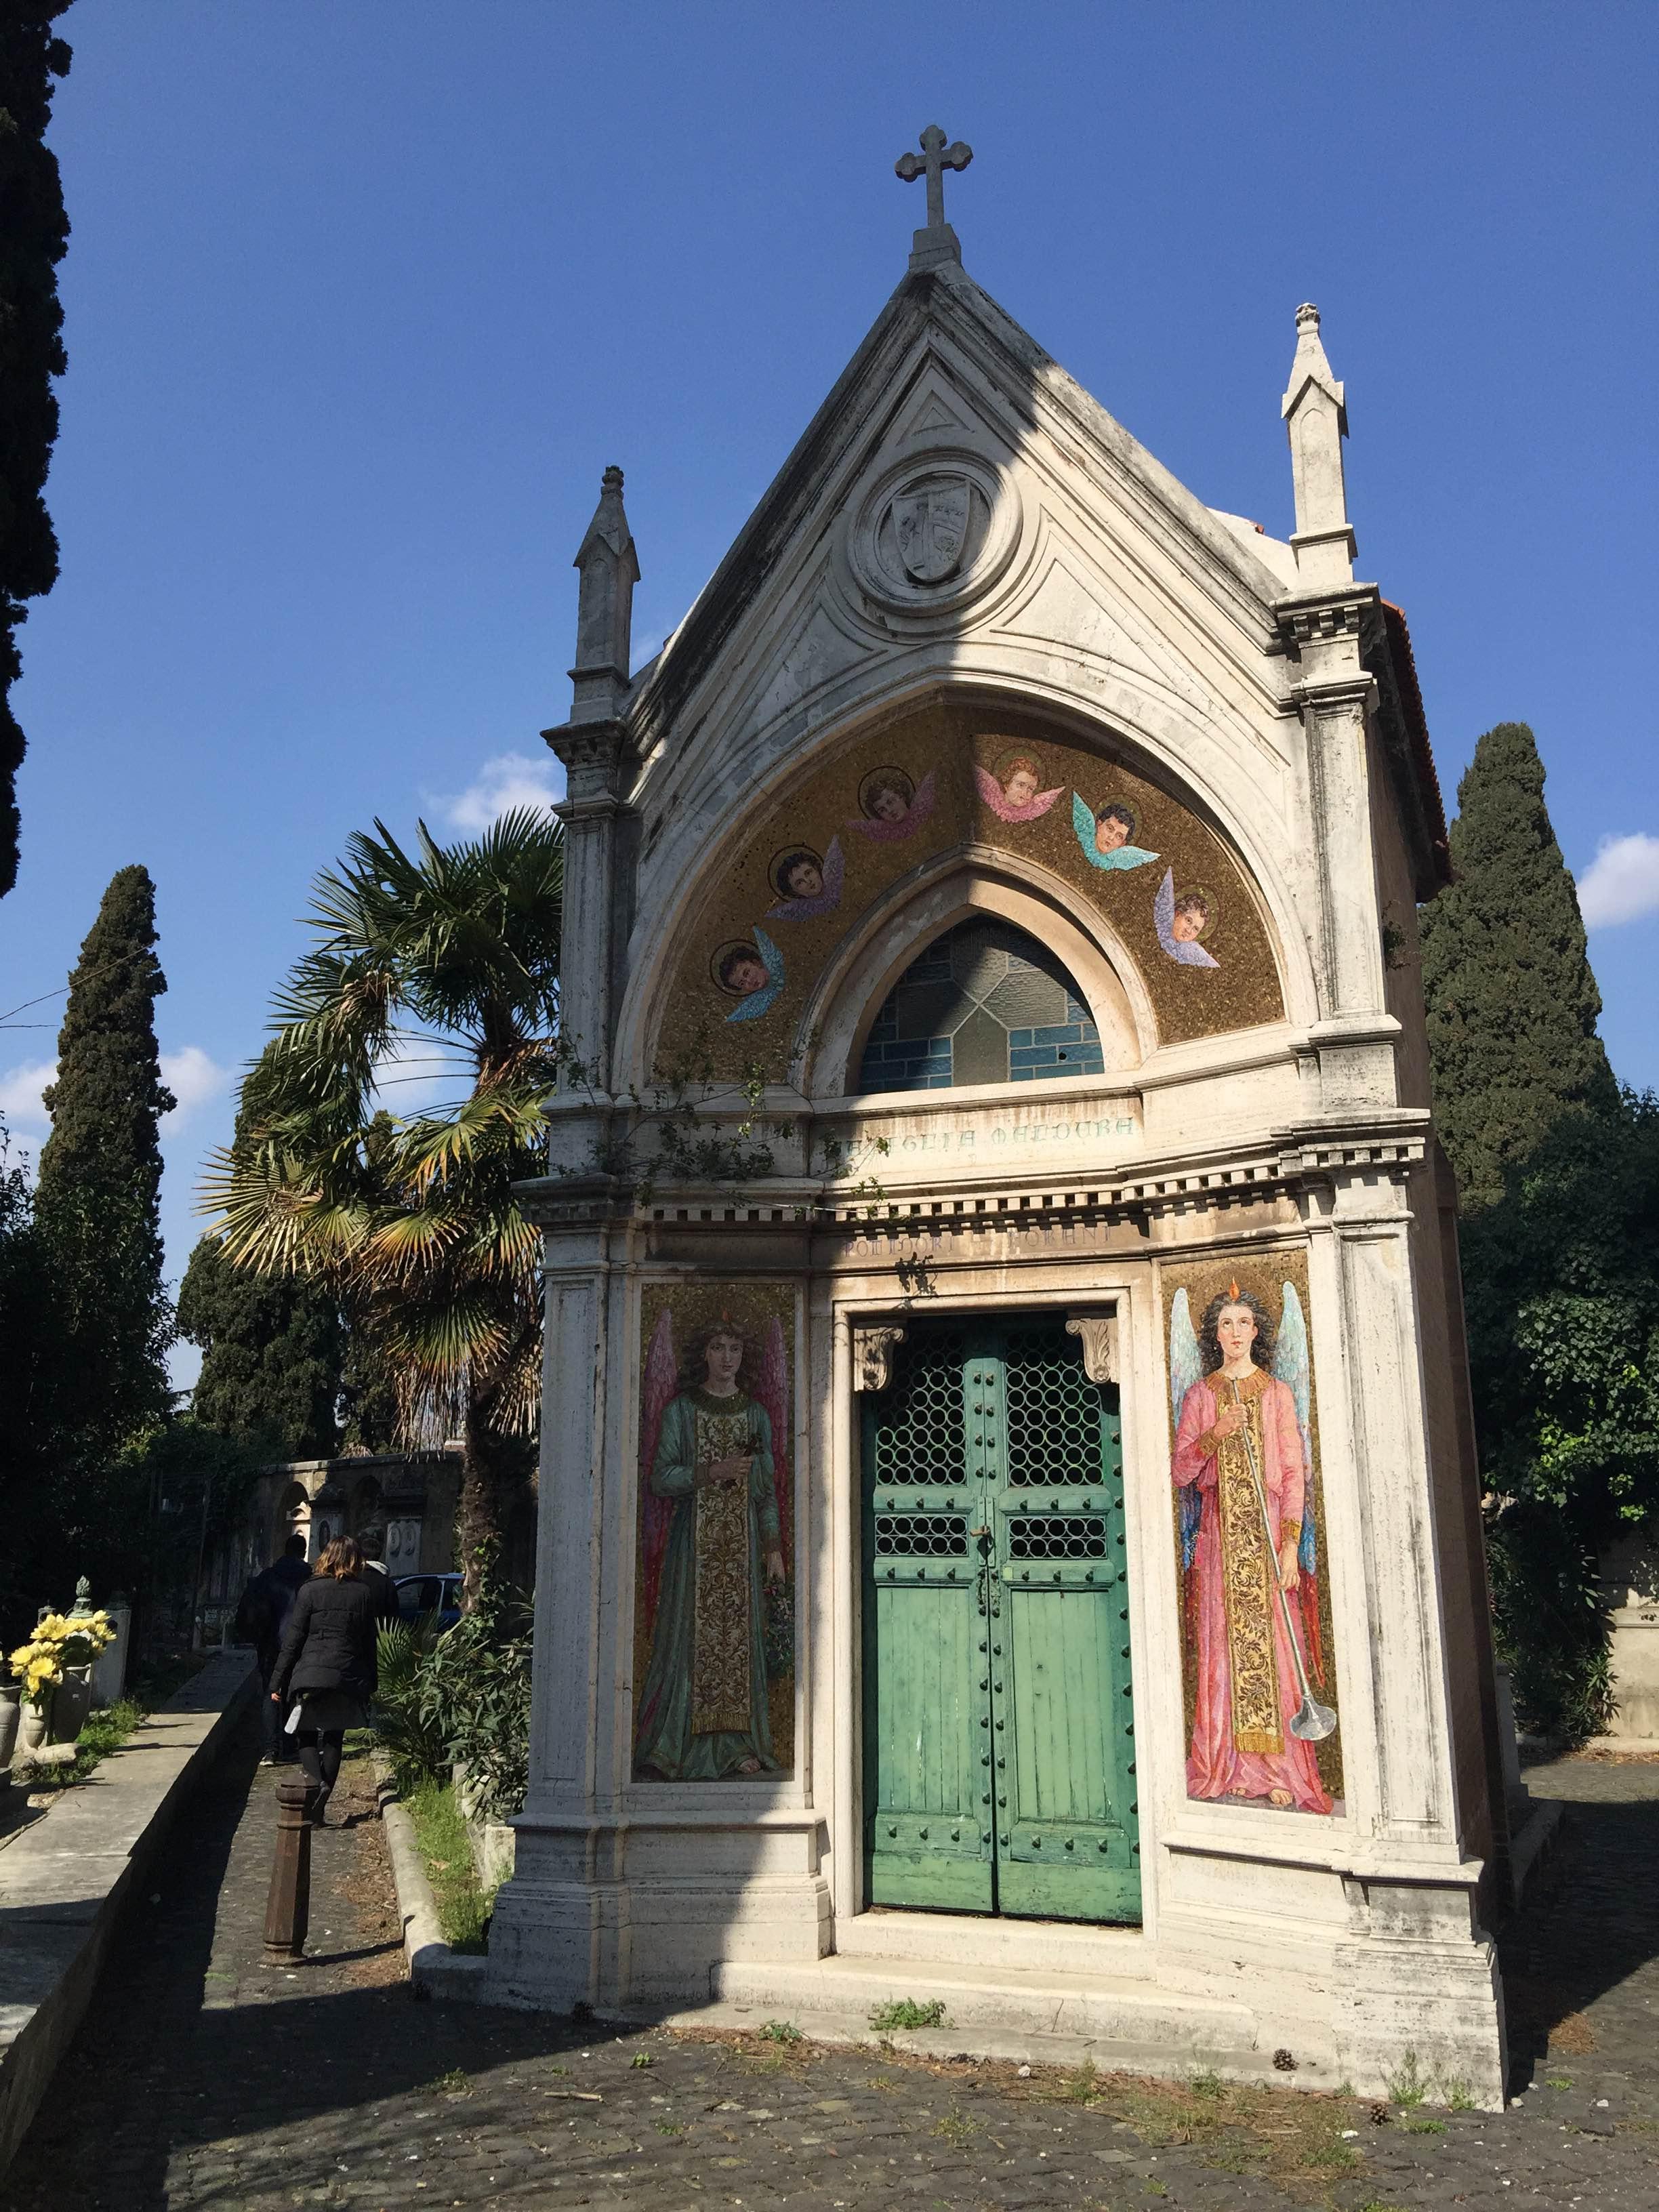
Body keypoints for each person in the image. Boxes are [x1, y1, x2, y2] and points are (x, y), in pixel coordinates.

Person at [1171, 1287, 1331, 1813]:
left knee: (1276, 1652)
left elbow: (1292, 1474)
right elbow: (1181, 1470)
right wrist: (1216, 1433)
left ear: (1257, 1333)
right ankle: (1232, 1765)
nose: (1235, 1333)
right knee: (1223, 1653)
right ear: (1214, 1334)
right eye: (1225, 1324)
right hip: (1219, 1543)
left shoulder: (1277, 1393)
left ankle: (1280, 1769)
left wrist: (1289, 1548)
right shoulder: (1200, 1395)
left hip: (1265, 1541)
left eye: (1243, 1323)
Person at [634, 1322, 785, 1780]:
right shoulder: (682, 1412)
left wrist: (773, 1548)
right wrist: (710, 1471)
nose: (727, 1357)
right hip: (692, 1552)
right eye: (718, 1346)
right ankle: (675, 1746)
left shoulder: (754, 1416)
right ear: (705, 1353)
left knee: (737, 1647)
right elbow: (661, 1478)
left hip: (740, 1554)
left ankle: (738, 1746)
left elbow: (764, 1489)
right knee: (689, 1644)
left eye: (736, 1347)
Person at [269, 1534, 380, 1825]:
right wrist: (372, 1681)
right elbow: (370, 1643)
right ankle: (323, 1798)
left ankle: (316, 1783)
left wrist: (277, 1681)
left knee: (304, 1733)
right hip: (346, 1675)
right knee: (334, 1735)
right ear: (356, 1560)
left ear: (325, 1557)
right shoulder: (363, 1593)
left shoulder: (309, 1591)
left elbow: (293, 1640)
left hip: (309, 1673)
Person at [234, 1534, 312, 1765]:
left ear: (285, 1551)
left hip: (270, 1645)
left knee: (271, 1693)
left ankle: (271, 1749)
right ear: (304, 1552)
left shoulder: (267, 1577)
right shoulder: (310, 1579)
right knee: (293, 1694)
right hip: (300, 1646)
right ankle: (290, 1744)